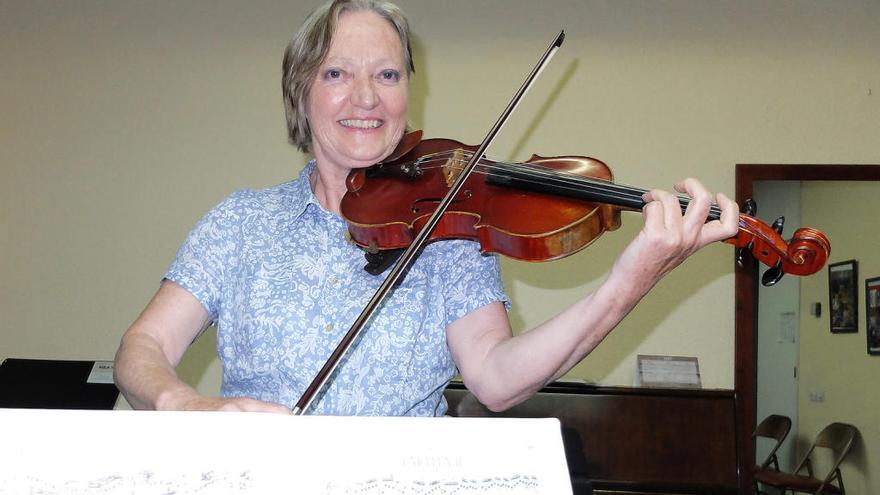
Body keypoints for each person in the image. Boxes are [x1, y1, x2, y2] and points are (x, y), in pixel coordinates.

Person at [113, 0, 739, 416]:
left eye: (387, 75)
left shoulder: (446, 230)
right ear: (300, 95)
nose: (366, 97)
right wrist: (180, 402)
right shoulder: (240, 224)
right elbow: (142, 346)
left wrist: (629, 282)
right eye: (336, 74)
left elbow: (496, 378)